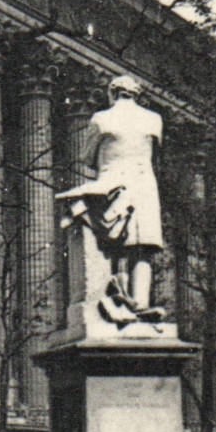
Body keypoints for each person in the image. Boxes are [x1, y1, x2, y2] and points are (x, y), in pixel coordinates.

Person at [56, 73, 165, 318]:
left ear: (112, 93)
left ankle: (117, 297)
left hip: (112, 186)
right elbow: (156, 154)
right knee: (142, 246)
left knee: (114, 244)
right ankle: (139, 302)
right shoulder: (154, 120)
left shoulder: (101, 119)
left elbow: (86, 156)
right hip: (145, 186)